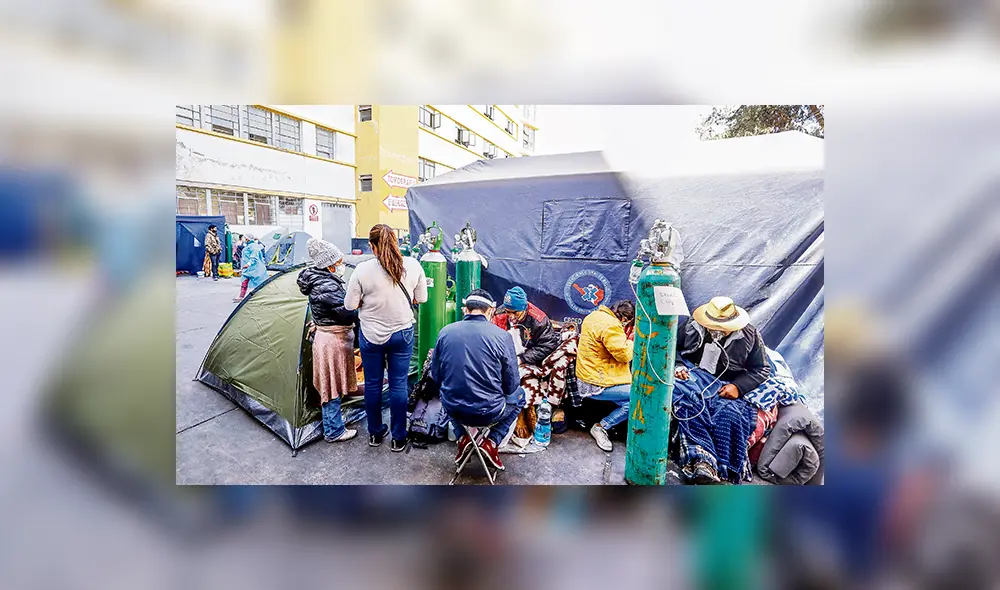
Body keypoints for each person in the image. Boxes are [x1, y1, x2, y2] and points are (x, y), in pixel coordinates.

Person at [671, 296, 771, 484]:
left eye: (721, 329)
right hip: (692, 376)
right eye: (712, 326)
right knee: (690, 406)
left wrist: (738, 387)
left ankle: (724, 469)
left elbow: (762, 369)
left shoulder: (750, 336)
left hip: (725, 384)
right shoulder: (692, 326)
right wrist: (678, 367)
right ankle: (702, 463)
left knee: (729, 415)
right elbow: (672, 347)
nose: (716, 332)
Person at [345, 224, 427, 452]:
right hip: (401, 332)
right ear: (396, 242)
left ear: (372, 246)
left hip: (371, 335)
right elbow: (421, 298)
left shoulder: (362, 270)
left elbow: (350, 305)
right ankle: (398, 437)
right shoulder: (413, 265)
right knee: (398, 384)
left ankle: (375, 433)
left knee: (372, 384)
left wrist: (365, 300)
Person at [431, 289, 525, 471]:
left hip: (454, 409)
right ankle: (492, 441)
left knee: (444, 395)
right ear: (490, 311)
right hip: (490, 412)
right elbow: (512, 385)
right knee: (520, 396)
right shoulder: (502, 336)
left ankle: (462, 437)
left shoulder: (445, 332)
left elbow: (436, 377)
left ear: (465, 309)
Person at [297, 238, 359, 442]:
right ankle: (334, 431)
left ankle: (335, 423)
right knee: (330, 385)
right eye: (339, 261)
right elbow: (347, 313)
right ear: (329, 264)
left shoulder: (323, 280)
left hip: (330, 339)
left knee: (333, 382)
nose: (341, 265)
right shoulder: (325, 285)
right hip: (331, 342)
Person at [576, 300, 635, 452]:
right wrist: (631, 341)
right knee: (640, 397)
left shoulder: (594, 316)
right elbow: (624, 355)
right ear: (624, 319)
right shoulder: (611, 325)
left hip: (587, 376)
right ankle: (601, 427)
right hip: (596, 383)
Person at [491, 286, 560, 368]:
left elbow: (548, 346)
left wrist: (522, 359)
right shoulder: (499, 314)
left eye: (515, 313)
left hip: (529, 359)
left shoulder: (539, 320)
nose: (511, 316)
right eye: (507, 312)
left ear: (524, 308)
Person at [236, 234, 268, 300]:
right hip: (248, 269)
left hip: (255, 268)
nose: (244, 239)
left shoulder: (254, 246)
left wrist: (249, 264)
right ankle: (241, 296)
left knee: (259, 284)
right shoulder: (249, 246)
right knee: (244, 282)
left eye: (245, 238)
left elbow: (254, 257)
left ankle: (260, 296)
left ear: (248, 239)